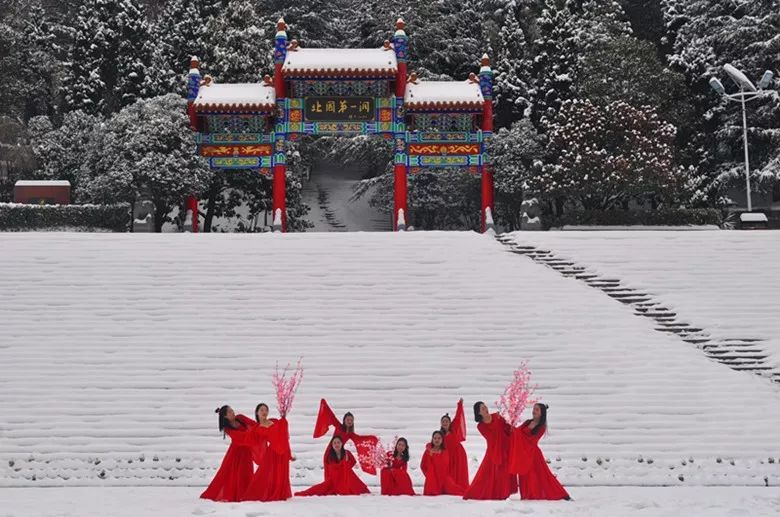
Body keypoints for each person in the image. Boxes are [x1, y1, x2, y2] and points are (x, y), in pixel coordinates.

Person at [511, 403, 570, 500]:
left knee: (543, 475)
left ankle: (561, 494)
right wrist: (512, 428)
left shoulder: (541, 427)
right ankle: (527, 495)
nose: (534, 411)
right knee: (525, 475)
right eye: (534, 409)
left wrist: (517, 433)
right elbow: (517, 432)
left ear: (542, 413)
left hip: (533, 454)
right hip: (523, 453)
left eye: (537, 409)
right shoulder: (528, 422)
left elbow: (531, 440)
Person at [462, 401, 518, 500]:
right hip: (493, 450)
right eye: (482, 408)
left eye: (485, 407)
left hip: (505, 447)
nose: (485, 409)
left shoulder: (497, 416)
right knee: (487, 473)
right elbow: (491, 438)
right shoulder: (481, 426)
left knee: (504, 472)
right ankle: (486, 493)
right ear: (478, 412)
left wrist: (511, 426)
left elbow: (507, 428)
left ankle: (503, 493)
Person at [200, 405, 256, 502]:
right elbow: (239, 437)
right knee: (230, 473)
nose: (232, 412)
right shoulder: (227, 428)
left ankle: (247, 493)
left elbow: (253, 424)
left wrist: (261, 429)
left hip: (246, 450)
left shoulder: (240, 418)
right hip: (236, 453)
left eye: (232, 410)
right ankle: (236, 494)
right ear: (225, 416)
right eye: (229, 412)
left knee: (247, 471)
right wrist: (252, 435)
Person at [242, 403, 294, 502]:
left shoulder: (274, 420)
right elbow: (254, 441)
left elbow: (284, 435)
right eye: (261, 410)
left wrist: (284, 421)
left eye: (266, 410)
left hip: (282, 451)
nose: (264, 412)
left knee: (282, 473)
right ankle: (256, 493)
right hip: (272, 452)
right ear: (257, 413)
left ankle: (280, 493)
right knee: (265, 474)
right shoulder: (257, 428)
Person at [312, 399, 379, 474]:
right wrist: (324, 404)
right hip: (330, 452)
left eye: (351, 420)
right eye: (348, 419)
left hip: (339, 454)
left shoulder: (350, 434)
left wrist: (372, 439)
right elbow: (331, 416)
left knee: (339, 474)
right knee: (330, 474)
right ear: (344, 420)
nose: (349, 421)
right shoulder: (338, 426)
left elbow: (359, 439)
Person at [295, 436, 370, 496]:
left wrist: (345, 466)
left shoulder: (347, 453)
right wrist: (343, 465)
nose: (336, 444)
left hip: (345, 477)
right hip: (334, 479)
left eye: (338, 442)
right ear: (332, 445)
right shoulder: (330, 456)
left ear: (341, 444)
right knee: (320, 488)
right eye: (334, 443)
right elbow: (332, 469)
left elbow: (352, 463)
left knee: (350, 475)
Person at [420, 431, 466, 496]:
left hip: (444, 478)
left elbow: (445, 465)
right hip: (433, 478)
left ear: (442, 440)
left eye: (439, 438)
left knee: (456, 490)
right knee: (431, 492)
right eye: (435, 438)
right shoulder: (428, 451)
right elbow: (423, 465)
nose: (437, 440)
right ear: (432, 439)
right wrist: (429, 476)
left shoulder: (444, 451)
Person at [440, 398, 469, 489]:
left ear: (449, 423)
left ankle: (459, 486)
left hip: (458, 453)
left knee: (459, 471)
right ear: (441, 423)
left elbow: (458, 416)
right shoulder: (440, 434)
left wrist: (459, 405)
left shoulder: (454, 428)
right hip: (448, 455)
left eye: (446, 421)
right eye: (443, 421)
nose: (445, 423)